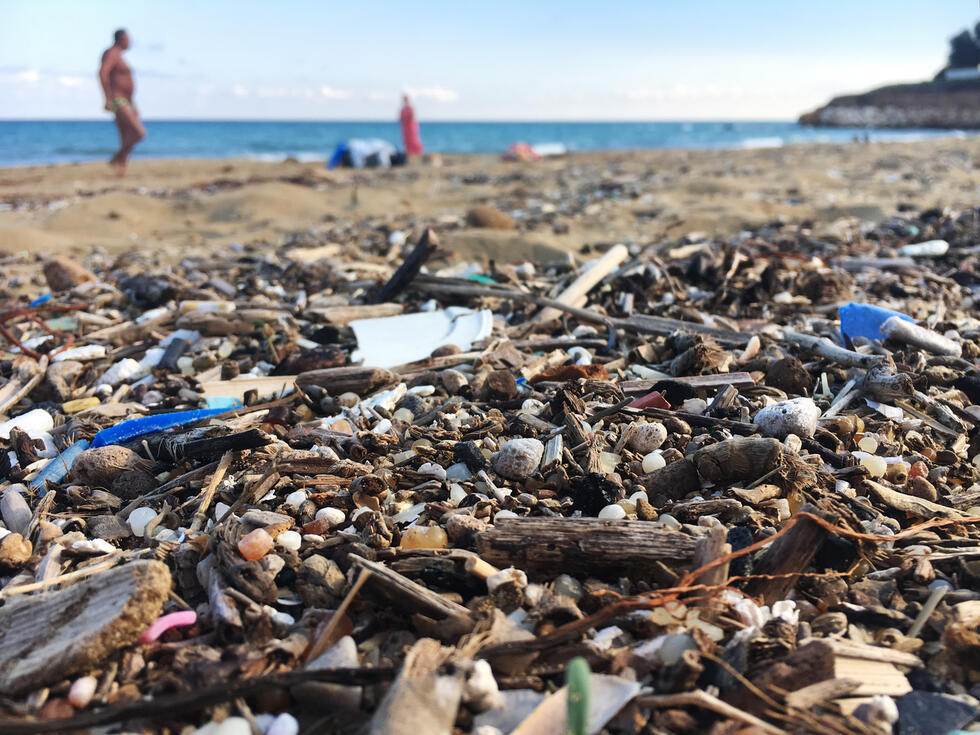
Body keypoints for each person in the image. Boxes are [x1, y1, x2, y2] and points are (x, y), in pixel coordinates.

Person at [99, 29, 146, 175]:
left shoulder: (119, 56)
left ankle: (120, 172)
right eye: (128, 39)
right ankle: (116, 158)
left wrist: (134, 105)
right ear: (121, 39)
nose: (130, 42)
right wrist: (107, 98)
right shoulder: (112, 53)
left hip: (126, 100)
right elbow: (103, 73)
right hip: (118, 99)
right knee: (139, 133)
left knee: (126, 136)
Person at [399, 94, 424, 160]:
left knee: (413, 139)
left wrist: (406, 120)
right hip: (405, 126)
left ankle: (417, 152)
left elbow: (412, 117)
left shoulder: (411, 108)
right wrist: (403, 120)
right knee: (406, 140)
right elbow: (400, 118)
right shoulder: (402, 109)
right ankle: (409, 154)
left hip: (410, 126)